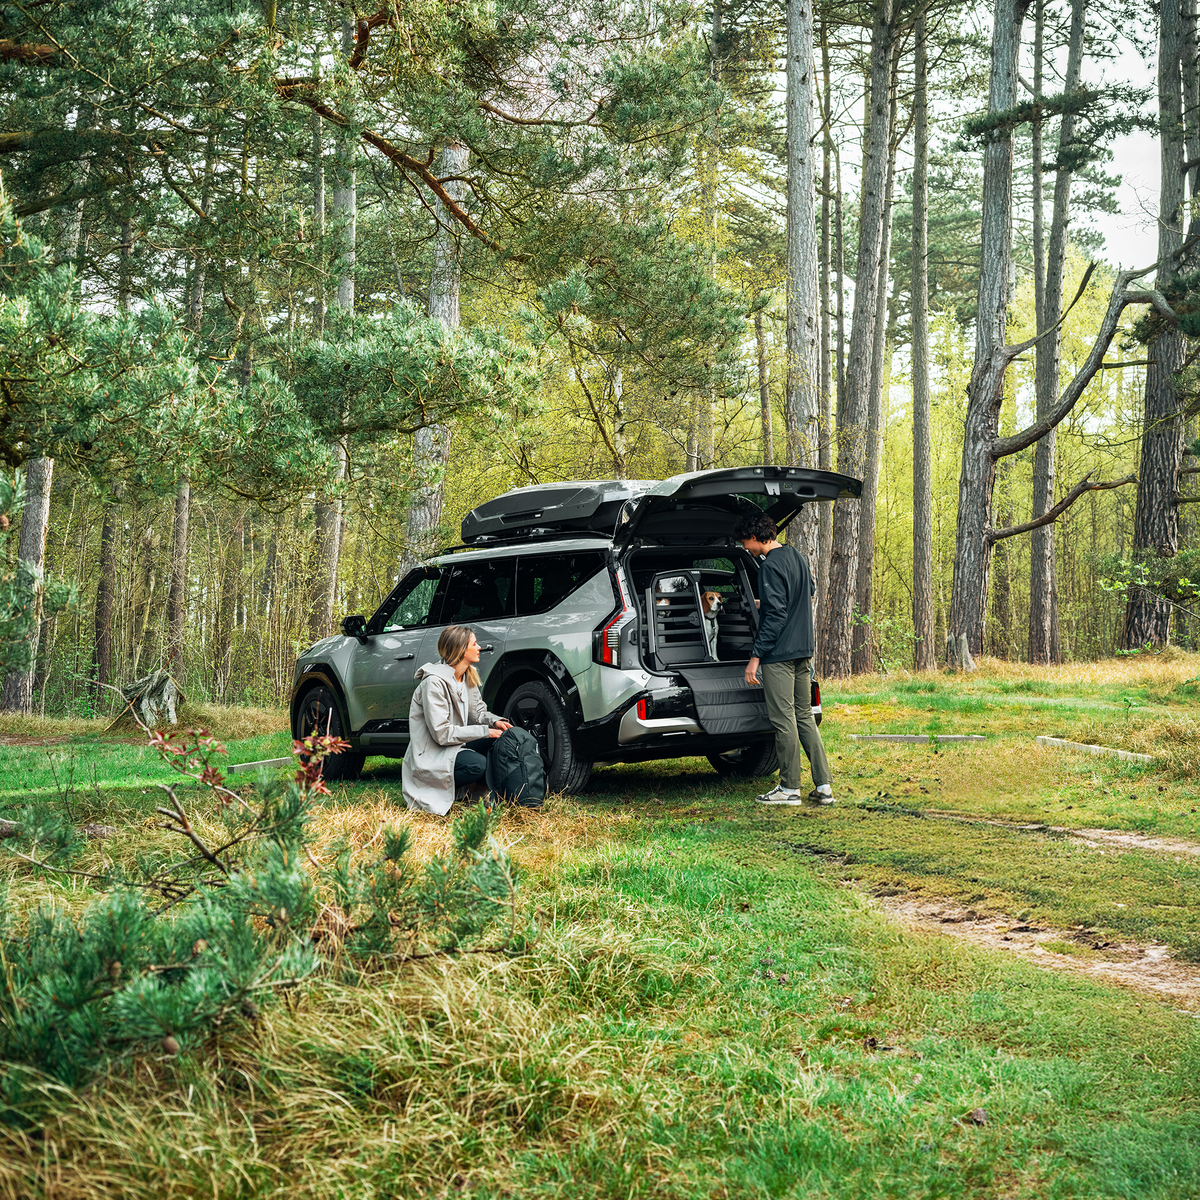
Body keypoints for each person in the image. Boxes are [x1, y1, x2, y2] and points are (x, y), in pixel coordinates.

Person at [735, 513, 834, 806]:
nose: (745, 547)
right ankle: (824, 787)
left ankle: (789, 789)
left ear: (755, 537)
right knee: (804, 716)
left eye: (745, 542)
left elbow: (776, 617)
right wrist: (766, 602)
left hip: (778, 655)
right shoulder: (795, 556)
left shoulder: (768, 566)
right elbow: (807, 591)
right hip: (803, 650)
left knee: (783, 719)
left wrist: (755, 656)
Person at [402, 624, 513, 815]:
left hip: (454, 745)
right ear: (461, 649)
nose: (479, 647)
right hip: (434, 753)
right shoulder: (433, 683)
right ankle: (443, 791)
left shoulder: (466, 676)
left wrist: (495, 723)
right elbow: (442, 733)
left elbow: (478, 712)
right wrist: (485, 731)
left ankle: (477, 796)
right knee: (478, 765)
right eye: (474, 644)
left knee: (499, 742)